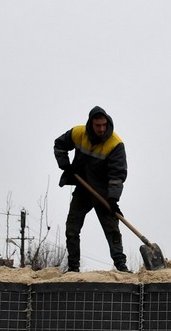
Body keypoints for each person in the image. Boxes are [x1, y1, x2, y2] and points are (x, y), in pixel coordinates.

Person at [54, 106, 129, 272]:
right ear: (91, 124)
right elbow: (59, 144)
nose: (102, 129)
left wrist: (113, 199)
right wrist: (65, 164)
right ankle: (73, 267)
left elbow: (117, 175)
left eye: (104, 125)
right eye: (98, 125)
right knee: (72, 228)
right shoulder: (78, 133)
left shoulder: (115, 144)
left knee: (112, 229)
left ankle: (121, 266)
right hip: (83, 188)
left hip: (103, 192)